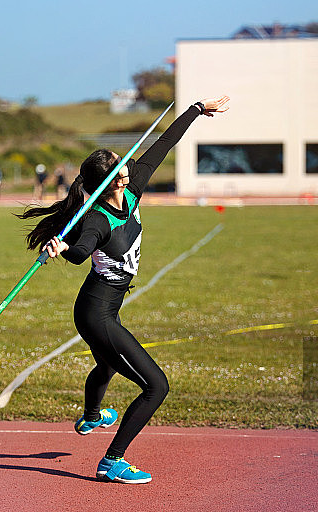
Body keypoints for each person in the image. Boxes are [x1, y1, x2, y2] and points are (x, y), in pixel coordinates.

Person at [17, 96, 229, 484]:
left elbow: (164, 143)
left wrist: (197, 109)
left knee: (108, 364)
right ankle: (111, 461)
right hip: (95, 312)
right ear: (111, 180)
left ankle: (92, 416)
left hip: (106, 306)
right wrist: (61, 247)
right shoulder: (96, 220)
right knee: (156, 387)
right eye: (120, 165)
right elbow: (81, 253)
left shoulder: (133, 189)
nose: (128, 165)